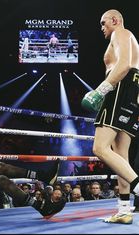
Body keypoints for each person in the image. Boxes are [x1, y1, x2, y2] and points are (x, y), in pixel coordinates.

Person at [81, 9, 139, 224]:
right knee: (120, 154)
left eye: (104, 22)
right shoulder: (131, 39)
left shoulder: (121, 33)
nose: (102, 27)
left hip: (119, 88)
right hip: (132, 91)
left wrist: (100, 90)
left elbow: (123, 65)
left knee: (99, 148)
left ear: (115, 20)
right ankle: (124, 210)